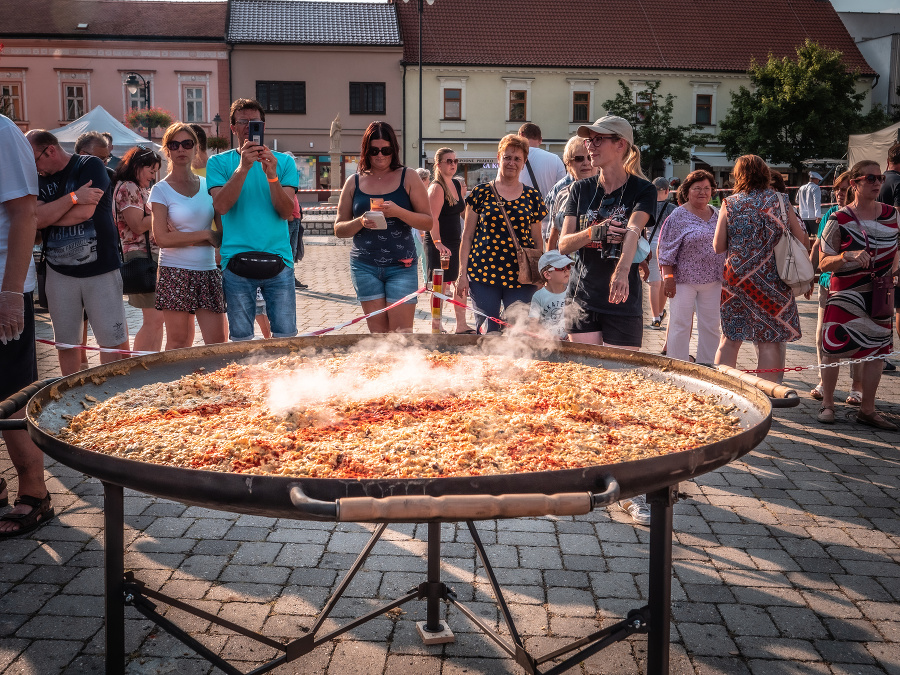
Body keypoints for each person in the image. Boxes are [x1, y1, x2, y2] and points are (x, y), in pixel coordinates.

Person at [27, 130, 129, 376]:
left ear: (50, 150)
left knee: (112, 341)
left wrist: (49, 215)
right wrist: (74, 197)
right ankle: (71, 394)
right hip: (58, 272)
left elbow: (84, 213)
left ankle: (113, 396)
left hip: (101, 269)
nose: (34, 168)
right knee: (66, 343)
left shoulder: (90, 164)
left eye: (35, 160)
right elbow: (36, 219)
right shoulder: (38, 177)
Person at [558, 116, 656, 351]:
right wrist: (594, 232)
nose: (590, 146)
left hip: (622, 298)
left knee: (621, 378)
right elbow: (564, 245)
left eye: (598, 140)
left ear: (620, 144)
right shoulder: (580, 188)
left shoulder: (644, 189)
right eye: (589, 140)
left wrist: (622, 270)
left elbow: (634, 228)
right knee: (587, 374)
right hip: (582, 298)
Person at [0, 114, 54, 538]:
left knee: (10, 392)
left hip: (3, 283)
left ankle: (35, 492)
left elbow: (25, 215)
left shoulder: (2, 131)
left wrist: (11, 293)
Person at [208, 98, 300, 341]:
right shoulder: (218, 163)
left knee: (286, 337)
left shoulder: (284, 162)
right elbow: (221, 206)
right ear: (233, 128)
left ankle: (284, 379)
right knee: (240, 339)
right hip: (236, 261)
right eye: (243, 122)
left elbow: (285, 212)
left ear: (264, 126)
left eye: (255, 123)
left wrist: (272, 176)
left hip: (279, 259)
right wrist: (243, 168)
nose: (250, 127)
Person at [817, 161, 899, 429]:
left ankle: (868, 408)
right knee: (833, 349)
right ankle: (828, 404)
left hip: (879, 295)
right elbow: (822, 262)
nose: (878, 183)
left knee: (876, 350)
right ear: (854, 183)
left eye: (881, 178)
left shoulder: (893, 215)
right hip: (846, 295)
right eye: (871, 178)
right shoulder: (838, 218)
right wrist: (845, 255)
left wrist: (895, 270)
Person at [713, 155, 808, 384]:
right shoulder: (781, 200)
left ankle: (722, 389)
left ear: (738, 176)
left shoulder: (730, 203)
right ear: (765, 173)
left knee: (730, 338)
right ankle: (769, 394)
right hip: (773, 278)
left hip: (737, 279)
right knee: (769, 339)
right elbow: (802, 240)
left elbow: (718, 246)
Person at [334, 121, 432, 333]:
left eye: (385, 150)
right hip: (364, 266)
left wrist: (398, 212)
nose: (379, 155)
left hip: (401, 266)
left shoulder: (409, 177)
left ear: (393, 150)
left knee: (401, 336)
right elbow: (339, 229)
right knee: (379, 338)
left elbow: (428, 221)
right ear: (365, 151)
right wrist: (360, 221)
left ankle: (403, 368)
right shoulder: (354, 181)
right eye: (374, 150)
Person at [457, 134, 547, 333]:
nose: (512, 163)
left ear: (524, 163)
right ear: (498, 158)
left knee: (518, 333)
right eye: (507, 157)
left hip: (521, 277)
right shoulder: (480, 193)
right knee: (488, 332)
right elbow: (467, 236)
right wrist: (462, 274)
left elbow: (537, 240)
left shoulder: (533, 197)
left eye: (517, 159)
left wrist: (540, 274)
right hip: (483, 274)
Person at [149, 123, 226, 350]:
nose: (181, 149)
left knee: (218, 342)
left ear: (196, 148)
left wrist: (182, 237)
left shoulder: (209, 186)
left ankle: (216, 385)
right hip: (175, 270)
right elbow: (161, 238)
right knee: (179, 342)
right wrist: (204, 235)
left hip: (208, 269)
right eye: (174, 145)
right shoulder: (160, 190)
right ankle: (177, 386)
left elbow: (221, 235)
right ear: (168, 150)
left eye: (187, 144)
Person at [656, 170, 724, 364]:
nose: (702, 192)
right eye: (697, 188)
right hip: (683, 281)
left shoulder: (718, 214)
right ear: (687, 191)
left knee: (711, 326)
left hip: (713, 280)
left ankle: (708, 365)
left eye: (706, 188)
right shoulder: (677, 216)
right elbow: (666, 249)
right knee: (680, 324)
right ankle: (678, 365)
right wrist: (667, 278)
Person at [809, 172, 863, 403]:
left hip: (857, 286)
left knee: (857, 337)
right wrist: (809, 277)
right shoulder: (831, 214)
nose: (840, 194)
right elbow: (819, 248)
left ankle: (857, 385)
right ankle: (824, 380)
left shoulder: (864, 216)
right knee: (822, 335)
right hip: (828, 283)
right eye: (836, 189)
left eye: (844, 189)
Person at [113, 145, 165, 352]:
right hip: (141, 255)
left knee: (158, 319)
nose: (153, 177)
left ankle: (155, 362)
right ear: (137, 166)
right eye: (151, 170)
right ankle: (140, 365)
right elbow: (137, 224)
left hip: (148, 254)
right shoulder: (128, 187)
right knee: (155, 318)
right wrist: (163, 213)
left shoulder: (132, 187)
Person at [425, 147, 474, 334]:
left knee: (459, 281)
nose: (453, 164)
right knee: (440, 284)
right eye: (449, 161)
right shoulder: (436, 187)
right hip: (440, 243)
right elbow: (432, 218)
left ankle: (461, 325)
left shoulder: (455, 183)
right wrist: (437, 243)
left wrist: (473, 227)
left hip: (455, 242)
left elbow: (461, 211)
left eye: (455, 161)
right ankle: (436, 326)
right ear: (438, 164)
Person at [545, 136, 599, 250]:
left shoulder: (608, 192)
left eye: (590, 157)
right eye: (579, 159)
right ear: (568, 163)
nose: (586, 163)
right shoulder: (561, 193)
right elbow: (551, 237)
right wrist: (550, 263)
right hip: (565, 264)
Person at [512, 123, 566, 235]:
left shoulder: (514, 160)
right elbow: (563, 193)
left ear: (521, 135)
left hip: (520, 223)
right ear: (540, 140)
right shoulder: (555, 160)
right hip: (548, 226)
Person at [878, 141, 900, 372]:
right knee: (895, 306)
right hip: (894, 249)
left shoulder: (878, 180)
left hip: (876, 249)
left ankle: (878, 354)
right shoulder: (898, 184)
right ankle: (882, 354)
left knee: (881, 303)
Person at [648, 177, 676, 329]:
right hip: (665, 247)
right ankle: (660, 312)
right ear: (667, 191)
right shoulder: (672, 209)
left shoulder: (647, 206)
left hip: (650, 246)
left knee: (654, 283)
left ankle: (655, 318)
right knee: (664, 281)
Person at [529, 249, 572, 339]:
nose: (566, 271)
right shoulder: (538, 296)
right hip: (547, 344)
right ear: (547, 275)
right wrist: (548, 336)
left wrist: (572, 335)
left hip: (571, 341)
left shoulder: (573, 293)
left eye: (568, 266)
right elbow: (533, 324)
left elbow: (579, 319)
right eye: (560, 268)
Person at [288, 193, 307, 289]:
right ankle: (287, 278)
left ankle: (291, 278)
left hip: (295, 220)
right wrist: (289, 216)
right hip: (290, 221)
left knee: (293, 252)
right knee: (287, 251)